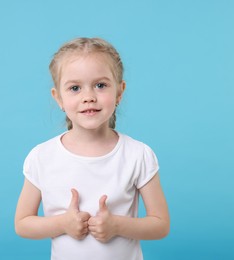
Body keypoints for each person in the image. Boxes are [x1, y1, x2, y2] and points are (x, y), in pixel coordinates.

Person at [15, 37, 170, 260]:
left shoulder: (138, 155)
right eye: (75, 88)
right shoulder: (42, 157)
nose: (88, 97)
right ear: (58, 97)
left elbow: (160, 224)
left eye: (100, 85)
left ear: (119, 92)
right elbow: (22, 224)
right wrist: (63, 224)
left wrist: (117, 226)